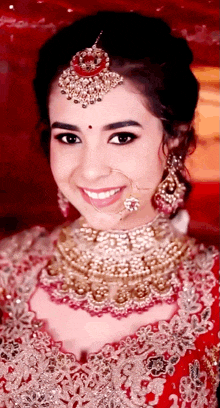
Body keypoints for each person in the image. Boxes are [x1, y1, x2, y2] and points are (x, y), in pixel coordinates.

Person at [0, 11, 219, 408]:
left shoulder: (213, 291)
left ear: (175, 139)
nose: (90, 169)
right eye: (68, 136)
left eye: (121, 136)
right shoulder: (9, 265)